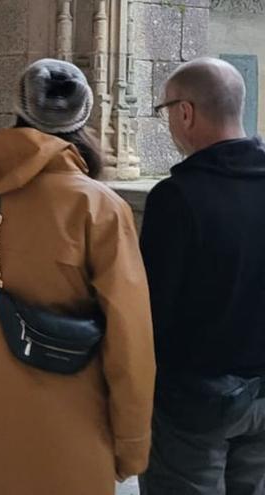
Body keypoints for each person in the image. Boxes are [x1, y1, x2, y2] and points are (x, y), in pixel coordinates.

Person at [0, 58, 155, 494]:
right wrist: (132, 439)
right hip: (71, 418)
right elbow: (128, 334)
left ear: (18, 108)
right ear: (84, 116)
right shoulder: (100, 207)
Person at [139, 57, 265, 494]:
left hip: (194, 402)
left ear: (186, 111)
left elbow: (151, 311)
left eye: (165, 110)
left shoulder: (176, 197)